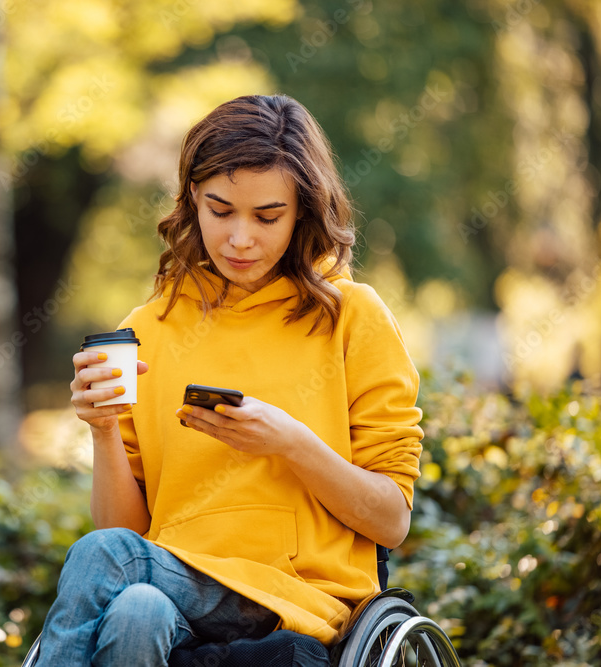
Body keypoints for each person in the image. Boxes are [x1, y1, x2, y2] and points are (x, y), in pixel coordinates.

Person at [34, 94, 423, 666]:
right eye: (221, 211)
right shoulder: (146, 330)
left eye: (267, 217)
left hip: (298, 600)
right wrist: (103, 431)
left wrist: (289, 441)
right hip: (175, 590)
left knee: (105, 557)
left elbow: (391, 519)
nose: (241, 239)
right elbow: (133, 531)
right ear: (193, 199)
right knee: (134, 610)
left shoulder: (352, 317)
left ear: (303, 213)